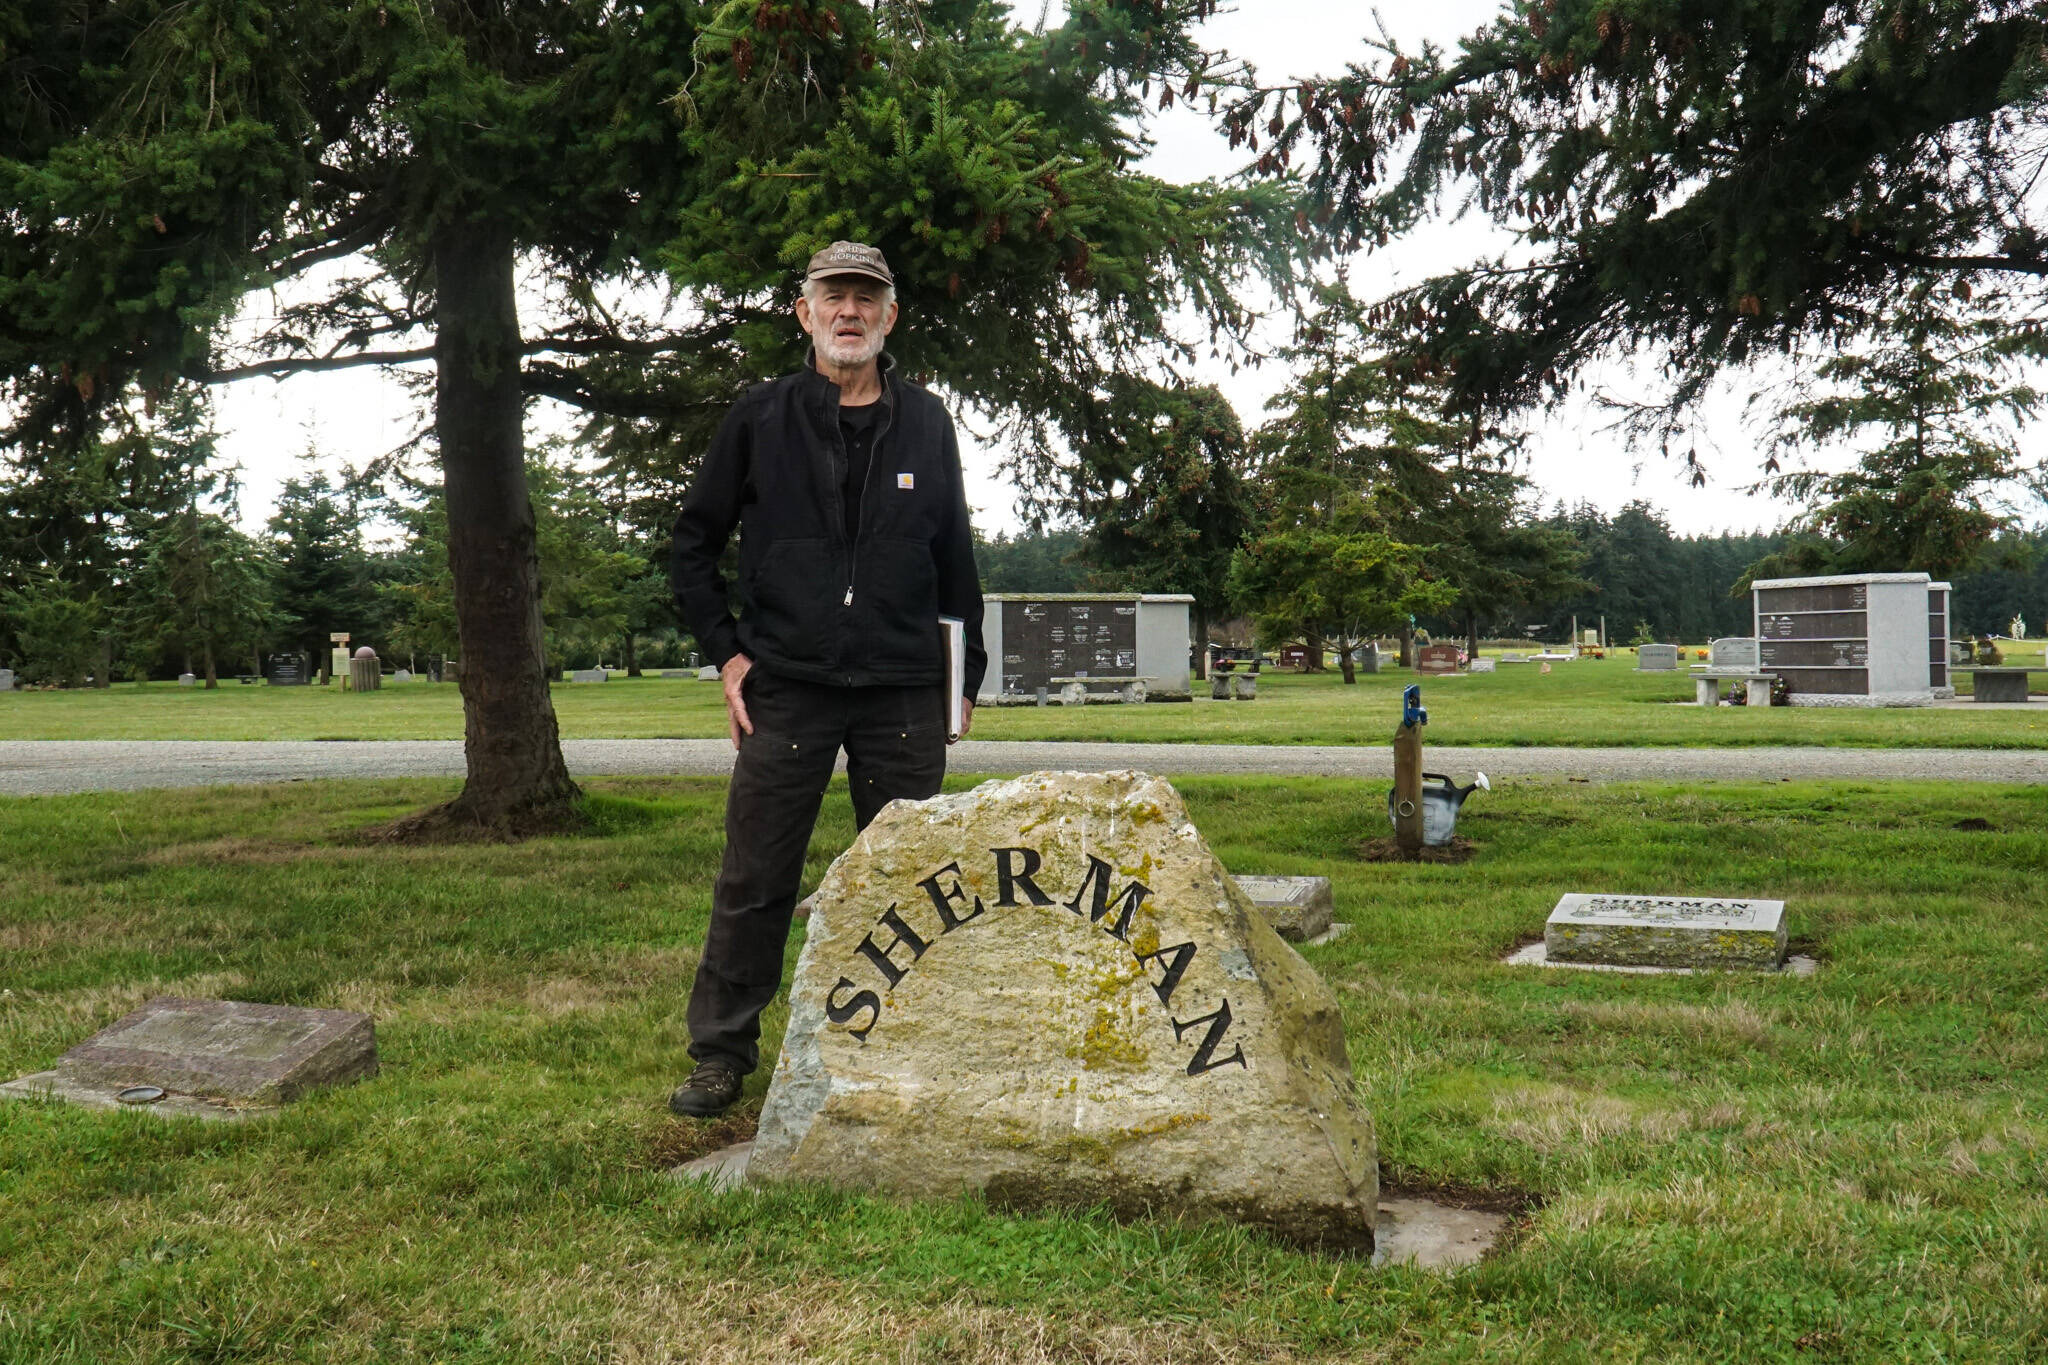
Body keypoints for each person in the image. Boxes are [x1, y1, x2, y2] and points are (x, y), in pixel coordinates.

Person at [665, 240, 986, 1118]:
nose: (849, 312)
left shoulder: (928, 421)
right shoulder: (759, 417)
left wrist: (968, 674)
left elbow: (954, 555)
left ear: (890, 317)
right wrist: (728, 651)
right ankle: (721, 1052)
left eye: (865, 299)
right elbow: (691, 543)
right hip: (791, 685)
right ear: (804, 313)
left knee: (916, 882)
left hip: (902, 688)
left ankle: (912, 1046)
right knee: (756, 876)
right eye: (832, 297)